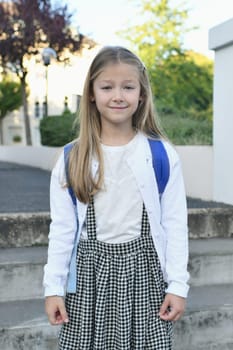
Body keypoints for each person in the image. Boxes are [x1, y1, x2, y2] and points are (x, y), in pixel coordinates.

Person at [43, 45, 189, 349]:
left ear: (141, 94)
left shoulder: (159, 154)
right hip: (88, 281)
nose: (118, 95)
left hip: (145, 280)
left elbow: (175, 225)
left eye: (128, 86)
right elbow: (62, 230)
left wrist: (178, 285)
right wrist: (53, 288)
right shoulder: (73, 157)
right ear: (92, 93)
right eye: (107, 87)